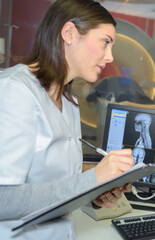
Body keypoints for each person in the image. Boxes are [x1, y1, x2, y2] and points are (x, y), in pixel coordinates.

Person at [0, 0, 134, 239]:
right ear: (69, 33)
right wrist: (93, 178)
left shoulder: (69, 102)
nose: (110, 57)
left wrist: (95, 193)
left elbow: (59, 187)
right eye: (105, 43)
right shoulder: (13, 91)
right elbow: (4, 199)